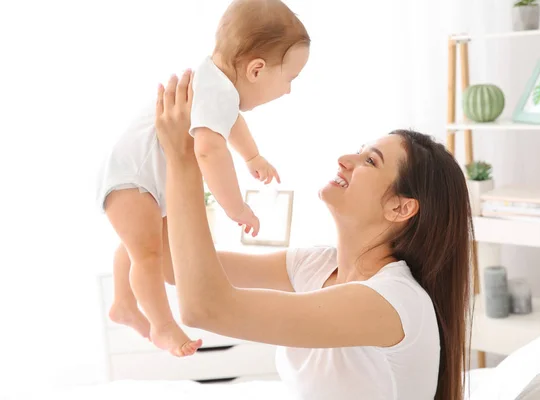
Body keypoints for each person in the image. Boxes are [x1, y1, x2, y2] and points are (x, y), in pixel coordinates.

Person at [154, 71, 474, 399]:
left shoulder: (392, 299)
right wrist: (157, 162)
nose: (345, 160)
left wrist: (186, 159)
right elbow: (168, 266)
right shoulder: (317, 266)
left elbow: (204, 308)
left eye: (369, 161)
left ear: (400, 208)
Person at [95, 0, 310, 357]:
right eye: (289, 79)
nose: (288, 90)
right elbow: (209, 151)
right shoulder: (216, 90)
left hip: (139, 180)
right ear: (256, 70)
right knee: (147, 254)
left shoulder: (217, 86)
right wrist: (236, 207)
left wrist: (252, 156)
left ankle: (123, 303)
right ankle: (161, 323)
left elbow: (231, 123)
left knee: (139, 244)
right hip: (133, 179)